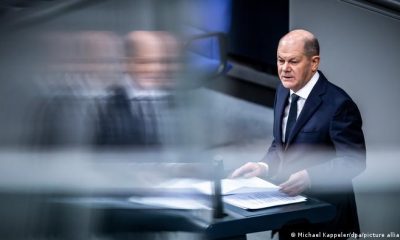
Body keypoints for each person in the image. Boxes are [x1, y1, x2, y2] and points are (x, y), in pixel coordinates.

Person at [231, 29, 366, 239]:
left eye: (293, 61)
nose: (284, 69)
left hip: (325, 221)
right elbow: (281, 145)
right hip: (289, 214)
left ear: (314, 63)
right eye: (280, 60)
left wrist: (311, 177)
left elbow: (354, 161)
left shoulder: (339, 105)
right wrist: (263, 166)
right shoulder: (283, 90)